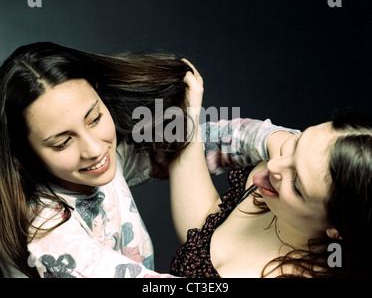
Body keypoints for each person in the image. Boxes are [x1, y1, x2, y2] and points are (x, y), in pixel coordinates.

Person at [0, 42, 295, 278]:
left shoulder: (101, 159)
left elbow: (194, 145)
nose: (93, 149)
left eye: (94, 118)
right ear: (22, 148)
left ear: (98, 92)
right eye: (63, 142)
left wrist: (279, 141)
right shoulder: (44, 232)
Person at [169, 65, 372, 278]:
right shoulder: (278, 169)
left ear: (336, 229)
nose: (274, 165)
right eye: (296, 142)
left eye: (296, 185)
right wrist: (187, 117)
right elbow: (202, 231)